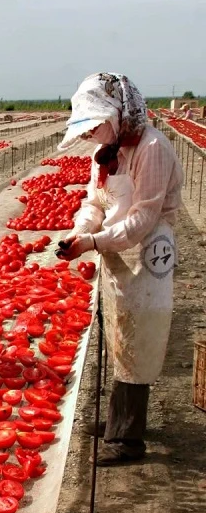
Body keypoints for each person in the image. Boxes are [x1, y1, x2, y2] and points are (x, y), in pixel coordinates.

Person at [59, 72, 183, 465]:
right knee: (118, 331)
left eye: (95, 123)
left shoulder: (152, 148)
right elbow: (94, 203)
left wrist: (93, 242)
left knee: (139, 336)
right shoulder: (107, 153)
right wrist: (80, 231)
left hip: (147, 250)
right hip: (116, 248)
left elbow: (143, 219)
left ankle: (128, 439)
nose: (91, 133)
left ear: (117, 112)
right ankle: (120, 418)